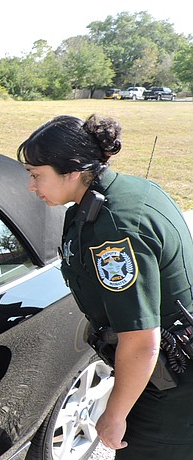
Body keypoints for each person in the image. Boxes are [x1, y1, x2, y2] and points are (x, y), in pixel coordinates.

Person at [17, 114, 193, 459]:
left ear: (73, 171)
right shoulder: (125, 192)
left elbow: (141, 340)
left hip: (173, 395)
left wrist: (114, 415)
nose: (32, 187)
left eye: (37, 176)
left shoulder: (114, 230)